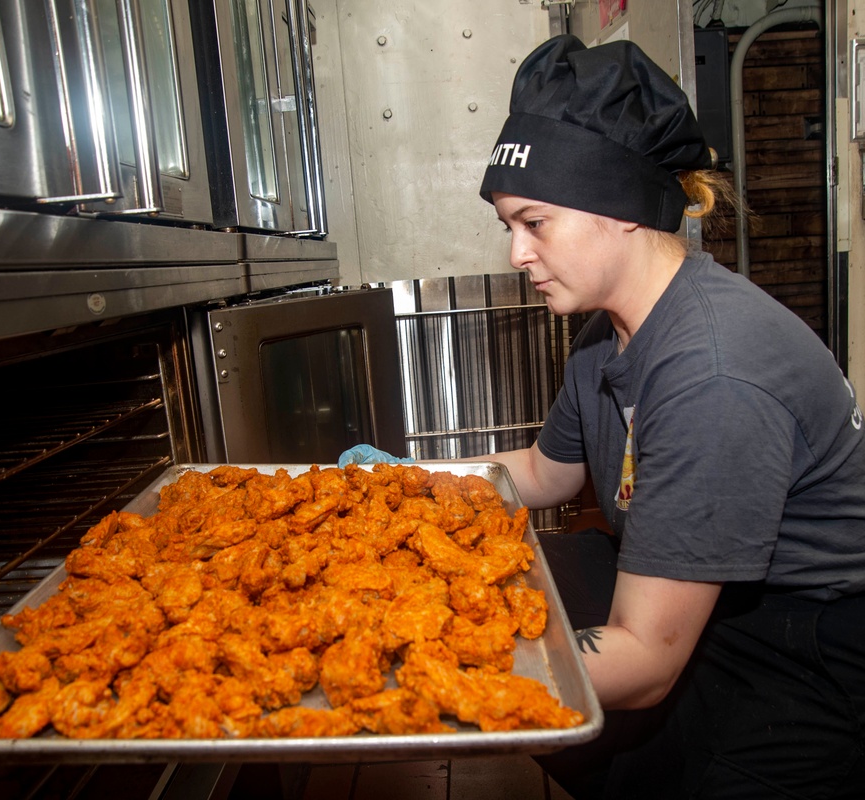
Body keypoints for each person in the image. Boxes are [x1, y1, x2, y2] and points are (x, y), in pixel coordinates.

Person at [341, 34, 865, 799]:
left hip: (801, 648)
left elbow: (646, 663)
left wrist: (439, 677)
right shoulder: (605, 335)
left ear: (620, 210)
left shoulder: (715, 375)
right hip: (691, 599)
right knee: (524, 584)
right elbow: (546, 475)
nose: (517, 253)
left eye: (536, 222)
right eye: (507, 226)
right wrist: (402, 484)